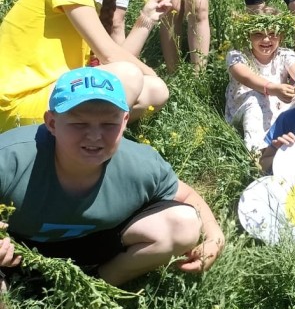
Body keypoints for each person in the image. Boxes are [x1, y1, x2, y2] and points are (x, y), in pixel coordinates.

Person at [0, 67, 224, 287]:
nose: (95, 136)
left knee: (183, 224)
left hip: (97, 243)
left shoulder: (139, 163)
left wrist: (214, 237)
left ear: (125, 121)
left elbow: (187, 196)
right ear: (51, 123)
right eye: (79, 123)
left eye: (109, 124)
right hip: (18, 248)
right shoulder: (10, 158)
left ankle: (96, 287)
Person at [0, 0, 171, 132]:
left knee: (155, 90)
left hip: (51, 95)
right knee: (130, 76)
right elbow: (111, 56)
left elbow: (114, 61)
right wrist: (153, 73)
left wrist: (146, 18)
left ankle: (85, 139)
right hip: (16, 104)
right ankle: (90, 142)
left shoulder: (89, 5)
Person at [224, 8, 295, 151]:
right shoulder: (237, 55)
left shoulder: (285, 54)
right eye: (258, 34)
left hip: (278, 105)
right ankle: (256, 151)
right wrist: (273, 89)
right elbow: (246, 77)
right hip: (245, 108)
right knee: (255, 97)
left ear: (281, 35)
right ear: (248, 34)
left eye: (273, 34)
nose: (266, 39)